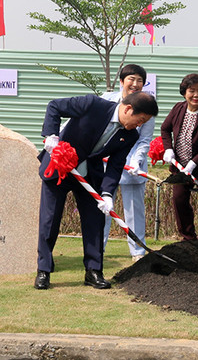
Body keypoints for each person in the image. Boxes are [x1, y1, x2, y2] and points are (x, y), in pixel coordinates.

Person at [34, 92, 158, 290]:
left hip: (89, 176)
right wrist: (51, 136)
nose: (139, 126)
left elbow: (116, 166)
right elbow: (54, 106)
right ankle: (44, 271)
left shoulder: (129, 135)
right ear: (128, 109)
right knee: (50, 220)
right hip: (60, 166)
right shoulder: (92, 105)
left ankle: (93, 272)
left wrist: (107, 194)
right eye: (140, 120)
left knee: (95, 222)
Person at [101, 64, 156, 263]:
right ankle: (99, 249)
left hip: (132, 167)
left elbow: (144, 139)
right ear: (122, 81)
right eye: (131, 79)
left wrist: (135, 160)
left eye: (140, 80)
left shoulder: (148, 104)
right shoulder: (106, 100)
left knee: (134, 212)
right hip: (106, 165)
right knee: (104, 208)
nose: (135, 84)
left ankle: (138, 252)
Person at [160, 73, 198, 240]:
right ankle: (188, 238)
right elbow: (165, 129)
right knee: (179, 200)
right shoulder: (178, 109)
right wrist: (168, 149)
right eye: (192, 91)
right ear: (184, 92)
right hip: (180, 167)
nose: (196, 95)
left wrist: (193, 163)